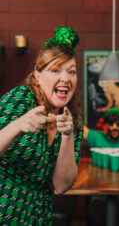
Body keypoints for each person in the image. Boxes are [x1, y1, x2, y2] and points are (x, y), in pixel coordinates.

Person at [0, 26, 83, 225]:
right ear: (38, 75)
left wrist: (68, 136)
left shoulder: (74, 122)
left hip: (36, 218)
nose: (65, 78)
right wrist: (19, 125)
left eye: (71, 71)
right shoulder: (22, 98)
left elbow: (61, 186)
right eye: (56, 70)